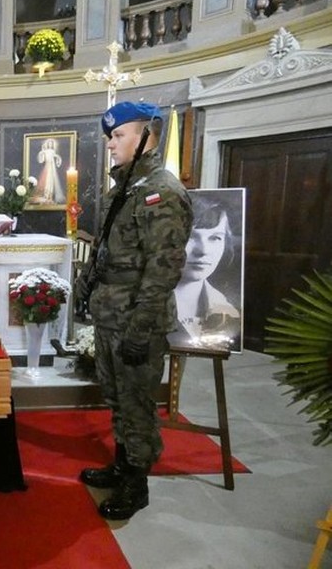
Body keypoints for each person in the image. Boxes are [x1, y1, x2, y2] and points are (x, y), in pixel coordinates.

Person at [75, 101, 193, 521]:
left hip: (136, 319)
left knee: (137, 402)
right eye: (110, 136)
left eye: (119, 135)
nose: (111, 144)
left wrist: (141, 328)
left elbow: (163, 269)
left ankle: (136, 483)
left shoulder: (162, 192)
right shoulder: (124, 189)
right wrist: (85, 285)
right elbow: (107, 248)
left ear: (146, 136)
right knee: (118, 398)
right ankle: (122, 465)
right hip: (112, 314)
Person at [170, 193, 241, 350]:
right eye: (190, 237)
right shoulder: (144, 305)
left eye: (215, 238)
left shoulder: (227, 312)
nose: (203, 251)